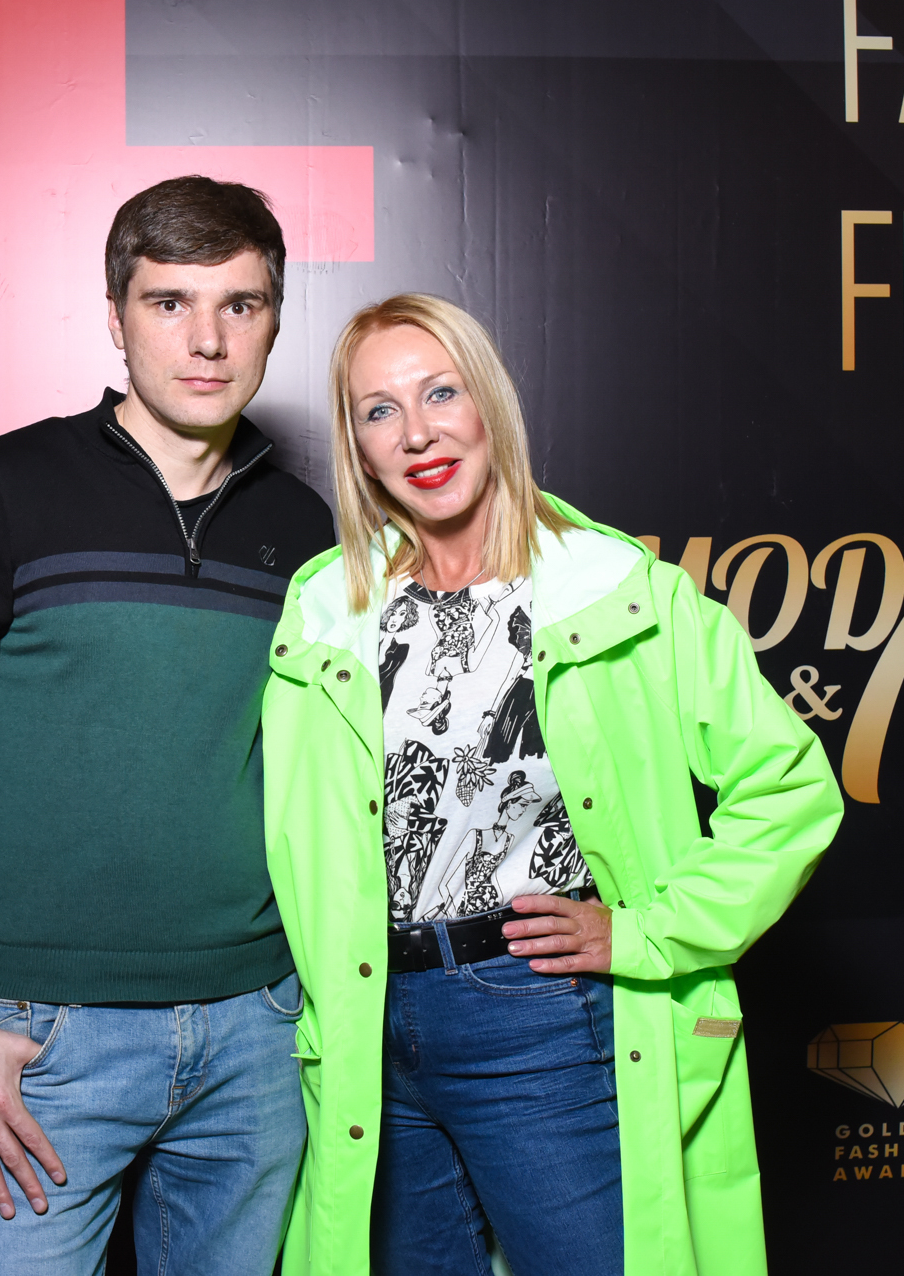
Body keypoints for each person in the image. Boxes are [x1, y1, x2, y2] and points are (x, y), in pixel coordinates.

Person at [261, 294, 844, 1276]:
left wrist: (649, 931)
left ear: (489, 402)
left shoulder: (618, 593)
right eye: (379, 410)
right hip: (370, 1031)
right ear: (357, 446)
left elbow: (788, 792)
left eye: (441, 392)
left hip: (537, 1021)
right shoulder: (326, 608)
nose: (417, 433)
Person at [0, 176, 335, 1275]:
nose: (208, 340)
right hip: (39, 1040)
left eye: (241, 304)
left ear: (274, 321)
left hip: (257, 1033)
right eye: (170, 303)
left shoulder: (307, 528)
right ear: (116, 317)